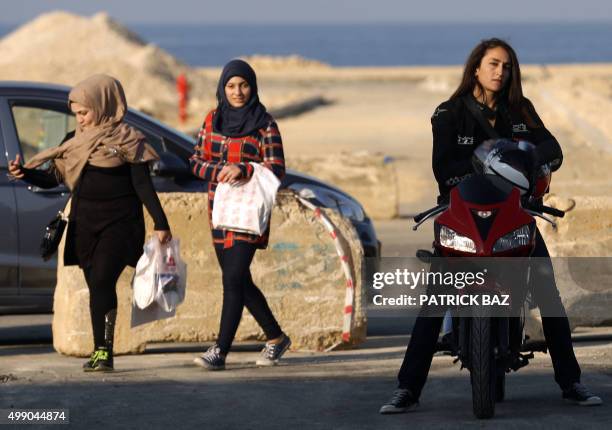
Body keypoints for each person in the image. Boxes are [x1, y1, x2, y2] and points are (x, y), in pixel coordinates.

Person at [379, 38, 602, 414]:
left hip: (514, 215)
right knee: (436, 301)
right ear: (476, 68)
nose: (501, 72)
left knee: (548, 294)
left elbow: (553, 150)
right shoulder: (449, 112)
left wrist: (528, 158)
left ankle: (571, 382)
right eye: (494, 64)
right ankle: (407, 389)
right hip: (463, 215)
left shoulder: (521, 110)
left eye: (507, 66)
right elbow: (443, 168)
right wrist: (496, 163)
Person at [8, 74, 172, 372]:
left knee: (102, 281)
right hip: (85, 224)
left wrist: (162, 223)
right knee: (96, 286)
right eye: (76, 114)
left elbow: (143, 187)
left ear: (104, 104)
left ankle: (103, 352)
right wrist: (25, 174)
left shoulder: (129, 140)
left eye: (84, 112)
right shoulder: (73, 142)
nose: (80, 120)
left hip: (119, 223)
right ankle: (100, 351)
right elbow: (53, 176)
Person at [189, 59, 291, 370]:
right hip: (219, 211)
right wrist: (218, 170)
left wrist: (245, 168)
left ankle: (220, 351)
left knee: (232, 277)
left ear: (253, 87)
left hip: (248, 212)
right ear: (222, 88)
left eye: (243, 85)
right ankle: (276, 337)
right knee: (239, 281)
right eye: (231, 86)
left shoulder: (265, 124)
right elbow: (194, 161)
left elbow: (277, 169)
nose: (238, 92)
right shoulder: (212, 120)